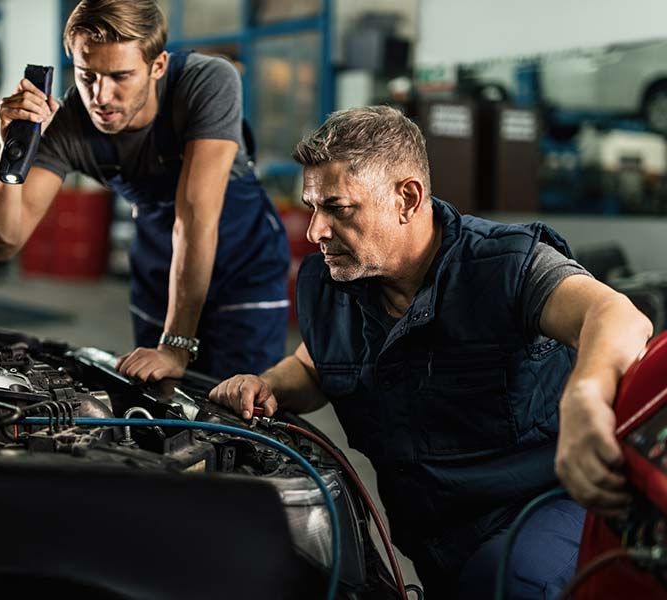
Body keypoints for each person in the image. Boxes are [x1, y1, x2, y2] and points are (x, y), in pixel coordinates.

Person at [209, 105, 653, 598]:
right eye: (312, 207)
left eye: (337, 208)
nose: (315, 231)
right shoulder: (331, 283)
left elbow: (617, 316)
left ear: (407, 198)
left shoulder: (503, 267)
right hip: (433, 539)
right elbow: (314, 366)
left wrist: (586, 397)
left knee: (511, 583)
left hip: (540, 512)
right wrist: (268, 384)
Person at [0, 0, 289, 381]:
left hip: (242, 261)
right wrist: (10, 153)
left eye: (120, 76)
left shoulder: (207, 82)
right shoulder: (69, 123)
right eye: (87, 76)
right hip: (159, 260)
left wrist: (175, 345)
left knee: (241, 398)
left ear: (158, 66)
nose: (101, 96)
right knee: (158, 399)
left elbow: (195, 217)